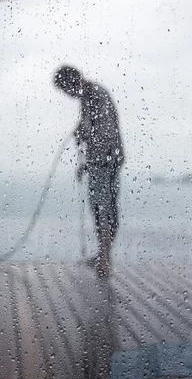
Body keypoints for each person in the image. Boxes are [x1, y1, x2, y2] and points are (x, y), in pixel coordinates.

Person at [54, 65, 124, 277]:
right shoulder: (91, 96)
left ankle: (104, 261)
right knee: (104, 208)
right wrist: (85, 163)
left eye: (66, 90)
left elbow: (103, 130)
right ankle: (104, 256)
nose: (68, 95)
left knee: (103, 209)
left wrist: (82, 134)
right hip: (105, 159)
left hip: (104, 161)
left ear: (72, 83)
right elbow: (97, 127)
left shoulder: (94, 95)